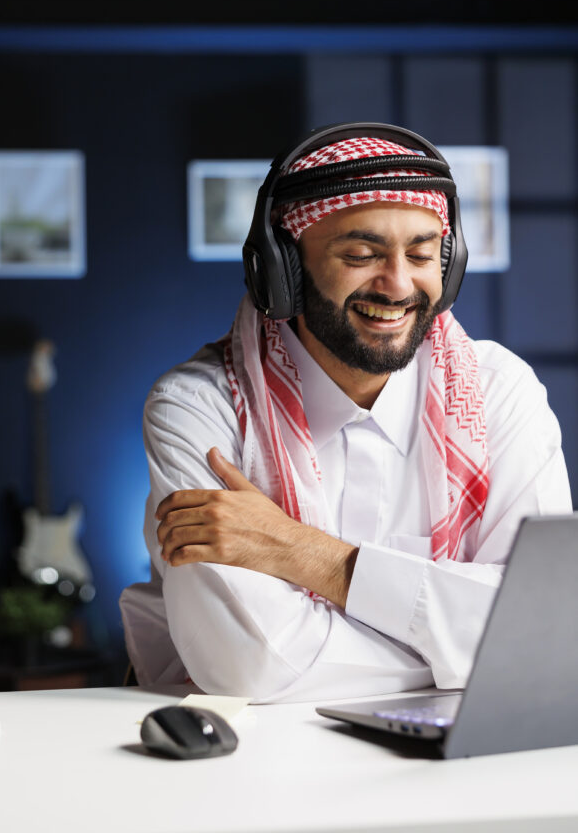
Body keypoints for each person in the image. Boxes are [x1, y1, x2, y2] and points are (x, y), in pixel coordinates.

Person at [120, 122, 572, 703]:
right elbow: (249, 667)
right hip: (254, 770)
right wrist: (464, 643)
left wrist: (300, 553)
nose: (398, 284)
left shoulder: (501, 393)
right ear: (282, 271)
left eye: (422, 253)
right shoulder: (197, 410)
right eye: (360, 254)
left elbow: (547, 630)